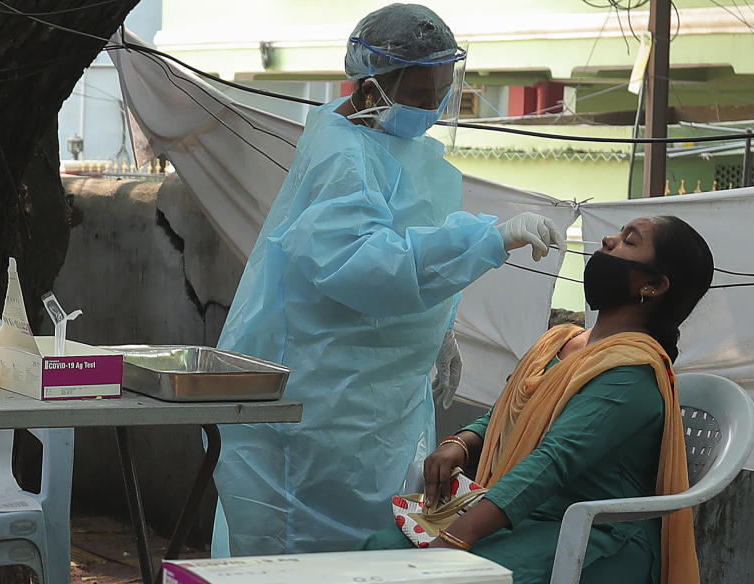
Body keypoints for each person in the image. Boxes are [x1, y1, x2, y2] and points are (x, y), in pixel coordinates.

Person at [212, 4, 565, 556]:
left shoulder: (394, 146)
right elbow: (365, 265)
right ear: (372, 85)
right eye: (420, 96)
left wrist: (439, 330)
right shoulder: (342, 154)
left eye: (440, 95)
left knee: (372, 562)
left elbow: (405, 250)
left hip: (377, 395)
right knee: (300, 561)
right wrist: (486, 239)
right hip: (321, 392)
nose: (431, 109)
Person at [364, 215, 714, 584]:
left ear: (653, 285)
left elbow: (552, 465)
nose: (608, 240)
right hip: (529, 516)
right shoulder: (566, 341)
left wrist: (457, 537)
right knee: (381, 550)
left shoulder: (631, 374)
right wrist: (463, 443)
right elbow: (512, 407)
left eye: (628, 241)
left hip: (602, 539)